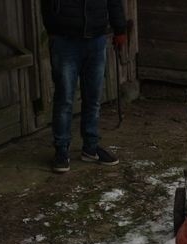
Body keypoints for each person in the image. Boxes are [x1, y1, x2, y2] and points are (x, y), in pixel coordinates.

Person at [41, 0, 127, 173]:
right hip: (65, 39)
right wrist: (53, 29)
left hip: (96, 39)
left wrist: (120, 29)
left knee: (93, 97)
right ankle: (61, 150)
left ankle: (91, 147)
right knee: (64, 98)